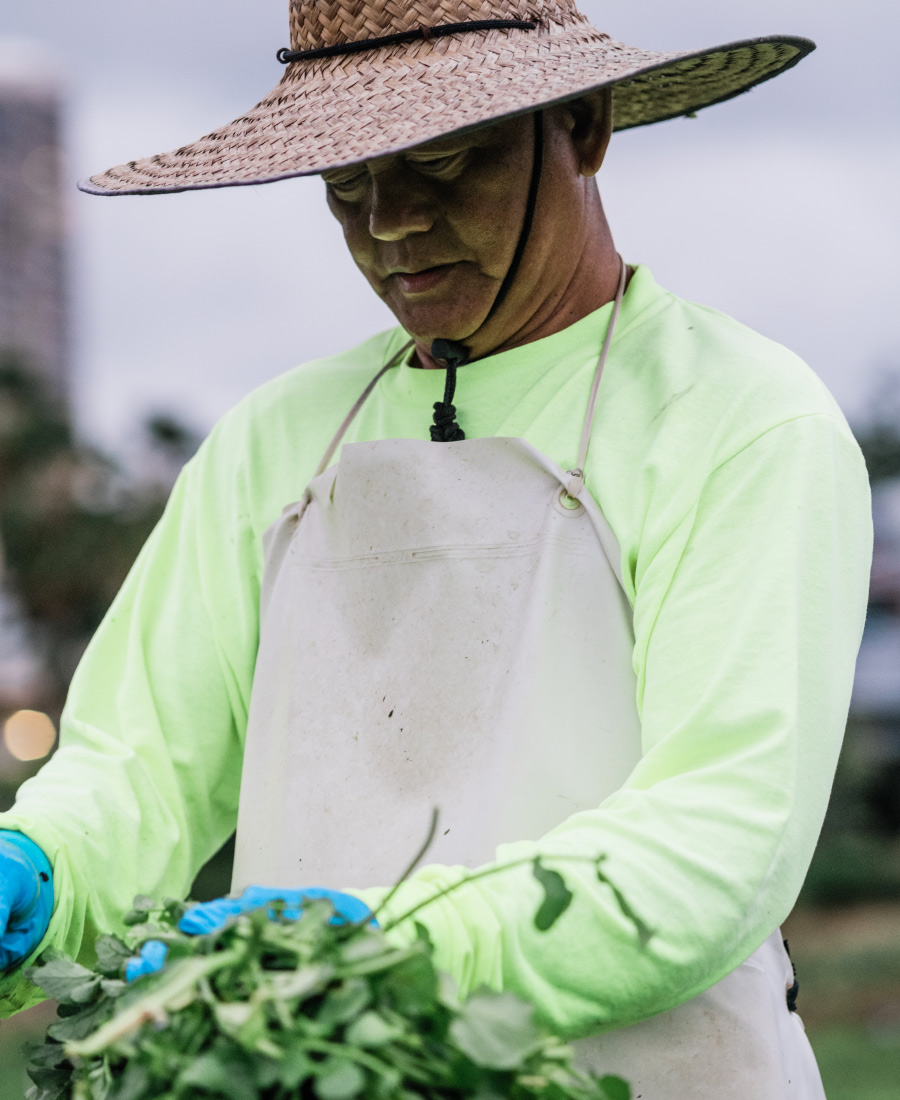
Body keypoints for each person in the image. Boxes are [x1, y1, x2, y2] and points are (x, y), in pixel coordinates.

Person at [0, 3, 872, 1097]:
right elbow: (140, 771)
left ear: (583, 125)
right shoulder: (277, 441)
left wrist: (374, 945)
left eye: (446, 163)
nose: (394, 224)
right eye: (345, 186)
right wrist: (42, 867)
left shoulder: (739, 418)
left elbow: (715, 841)